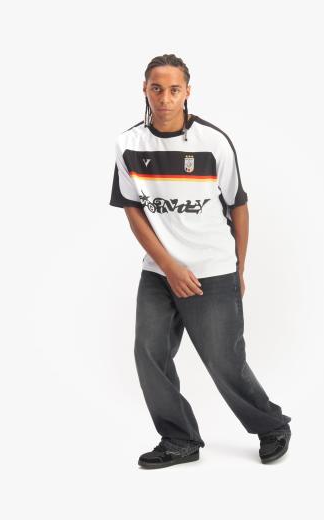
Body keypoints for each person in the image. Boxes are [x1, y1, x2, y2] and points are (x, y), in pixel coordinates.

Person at [109, 54, 292, 469]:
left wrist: (238, 269)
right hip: (159, 272)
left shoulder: (213, 142)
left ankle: (272, 426)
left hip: (212, 270)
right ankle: (179, 439)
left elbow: (238, 205)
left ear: (188, 92)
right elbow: (133, 211)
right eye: (157, 88)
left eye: (174, 89)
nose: (165, 98)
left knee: (224, 360)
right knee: (149, 353)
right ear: (144, 89)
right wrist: (169, 266)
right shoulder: (129, 144)